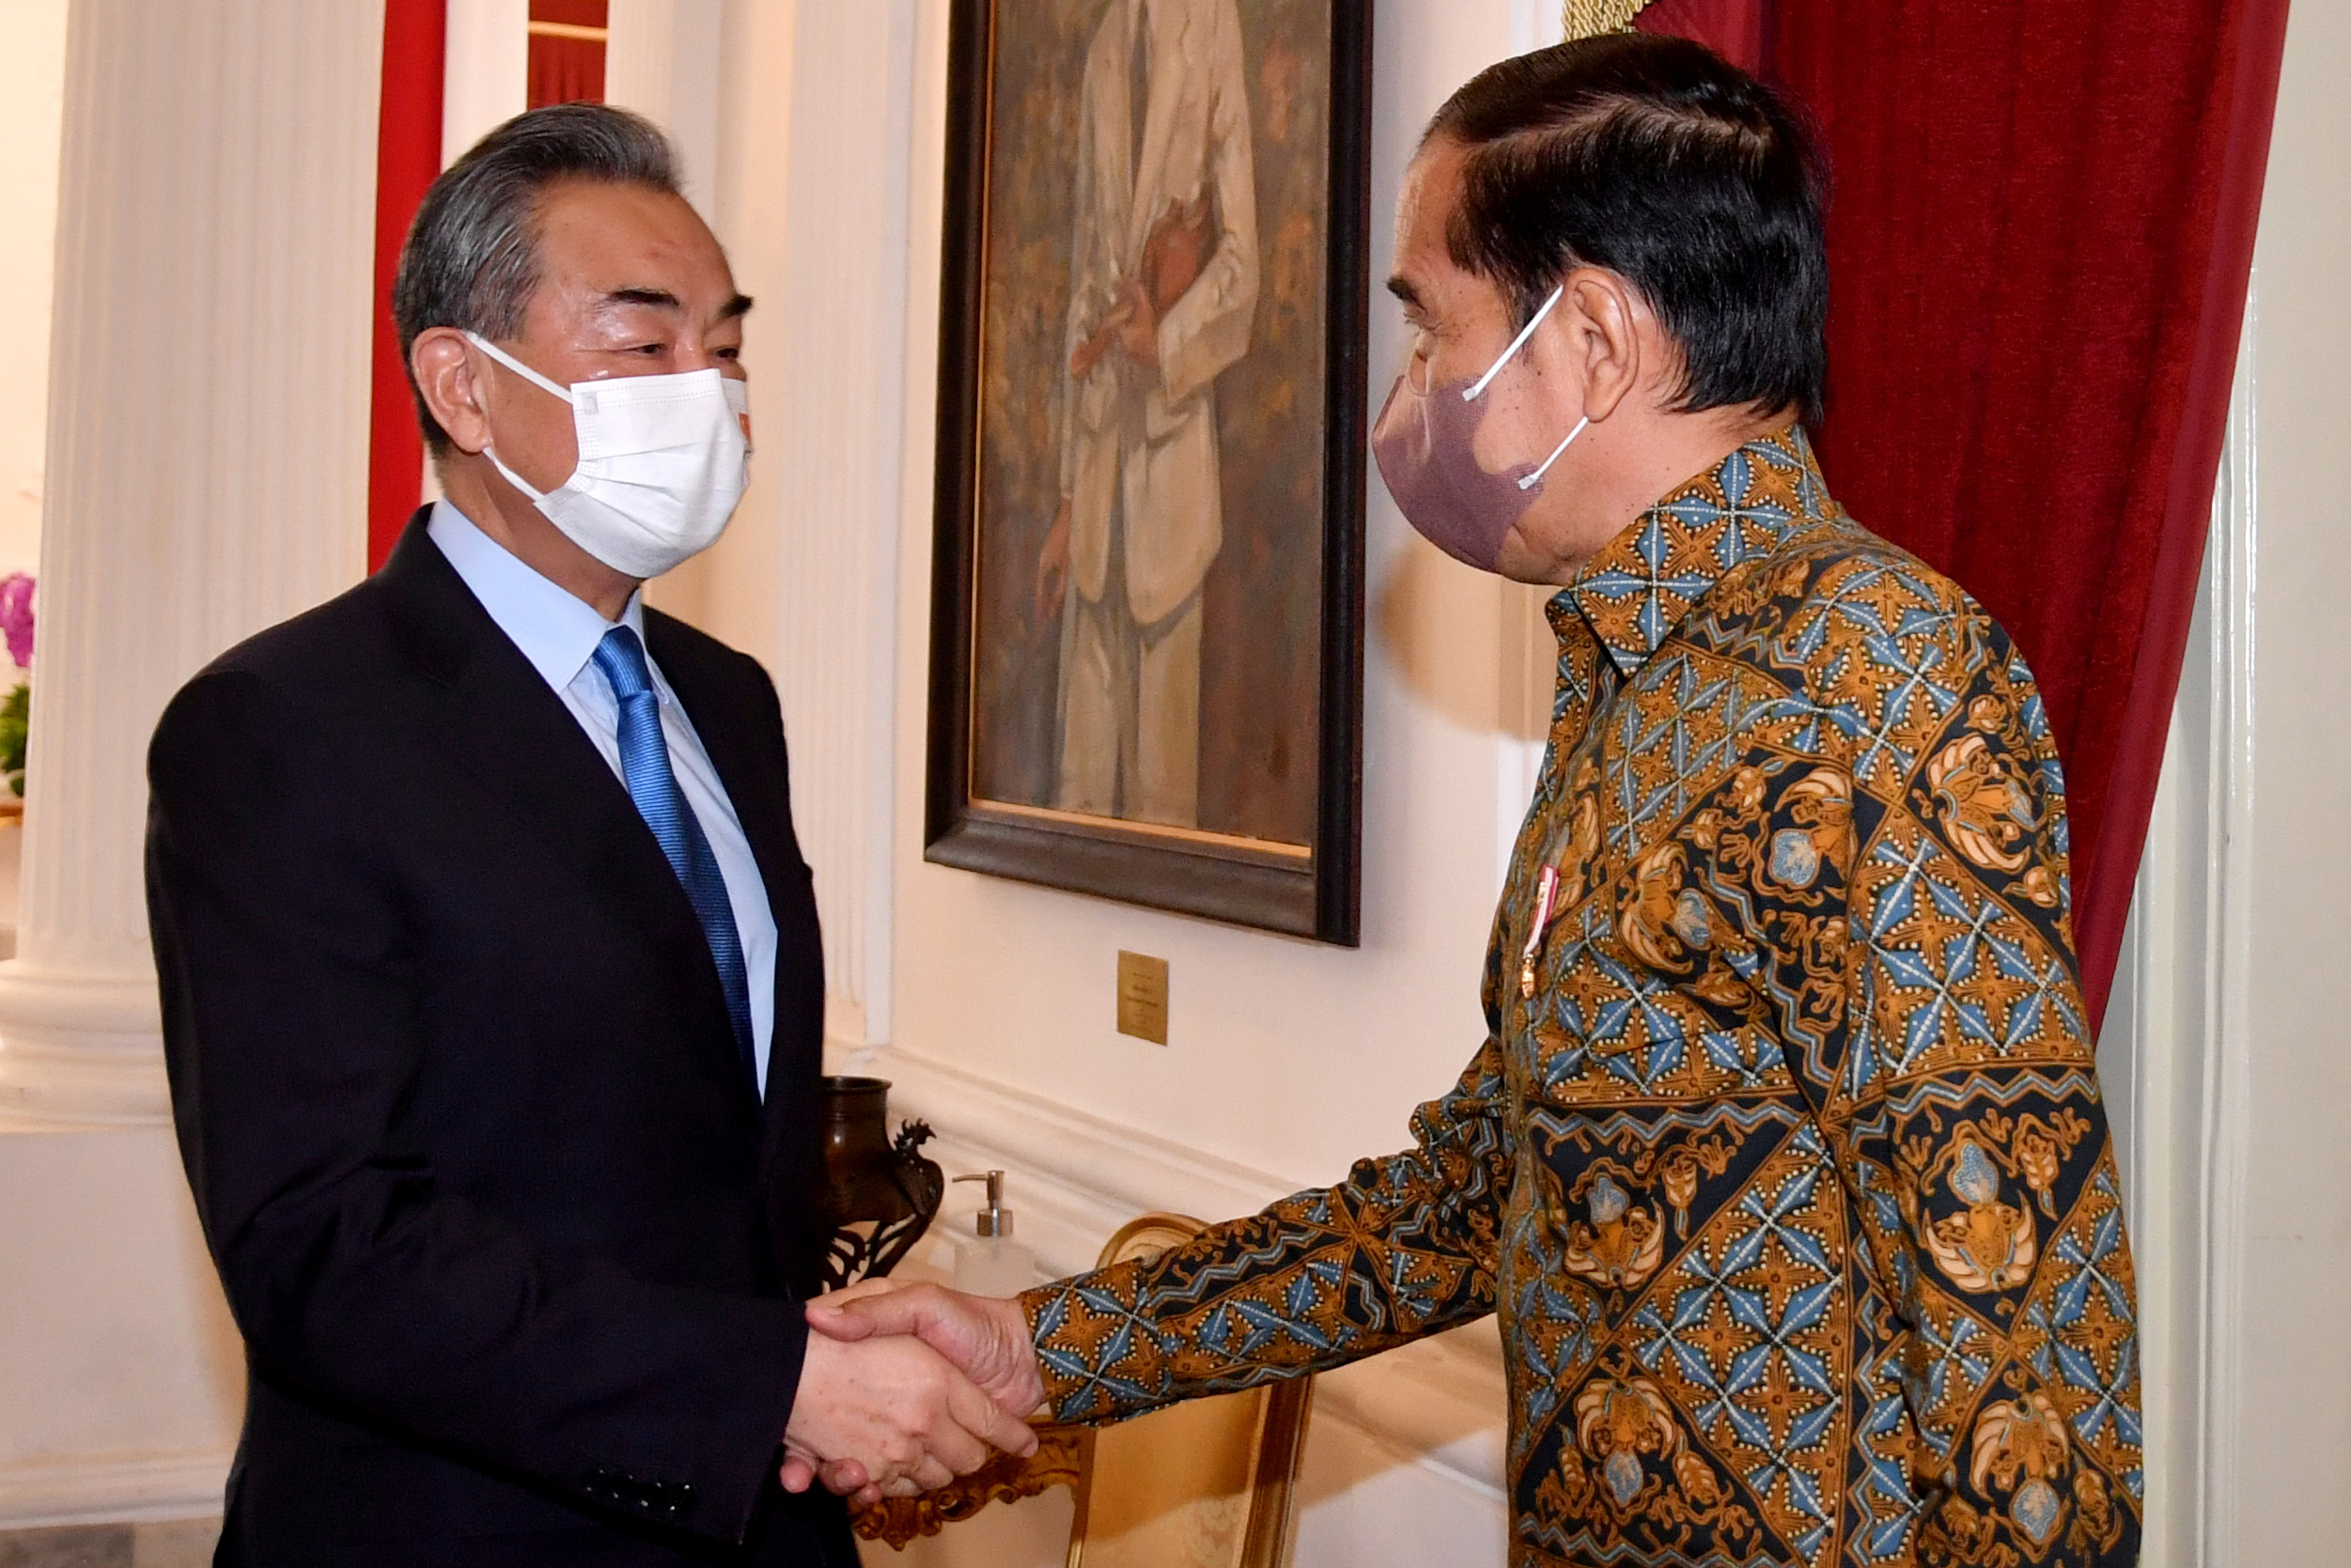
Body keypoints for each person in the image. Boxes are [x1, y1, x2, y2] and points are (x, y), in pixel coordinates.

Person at [807, 37, 2146, 1568]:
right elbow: (1474, 1192)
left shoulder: (1870, 669)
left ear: (1591, 339)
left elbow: (2019, 1320)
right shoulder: (1637, 676)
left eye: (1431, 326)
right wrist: (1040, 1346)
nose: (1414, 390)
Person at [145, 105, 1033, 1566]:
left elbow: (710, 1150)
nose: (709, 393)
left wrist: (825, 1383)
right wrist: (771, 1390)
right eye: (645, 344)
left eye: (725, 349)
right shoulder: (283, 727)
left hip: (757, 1521)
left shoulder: (727, 703)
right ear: (463, 386)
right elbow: (323, 1241)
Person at [1039, 0, 1259, 827]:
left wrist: (1161, 345)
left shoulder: (1211, 26)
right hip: (1097, 493)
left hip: (1170, 480)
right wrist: (1068, 502)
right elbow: (1081, 285)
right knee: (1079, 797)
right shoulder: (1104, 49)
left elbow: (1243, 262)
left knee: (1163, 806)